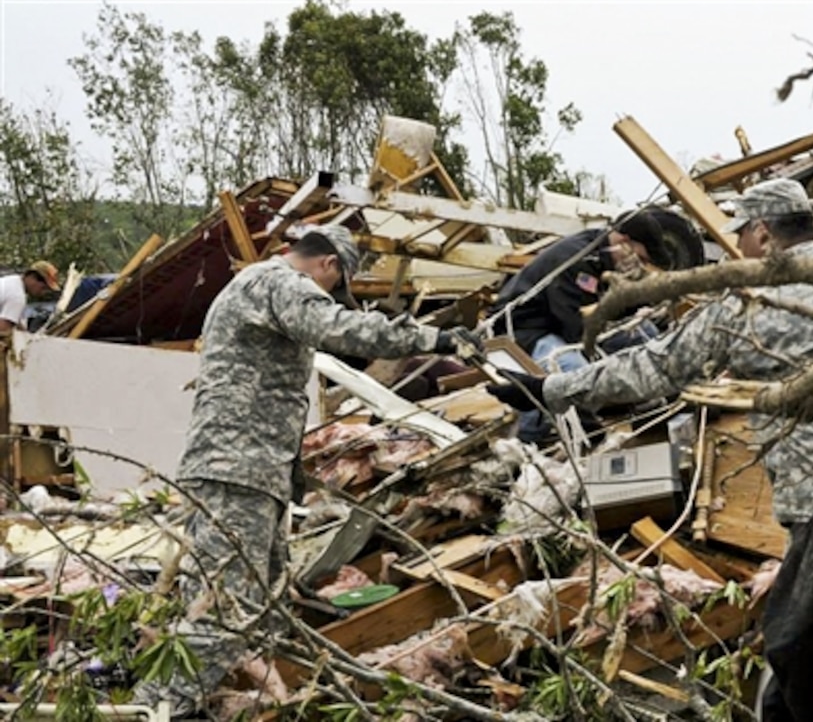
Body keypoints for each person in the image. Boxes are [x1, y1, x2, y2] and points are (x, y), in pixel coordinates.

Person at [487, 179, 813, 721]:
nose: (738, 242)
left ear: (763, 233)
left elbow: (655, 366)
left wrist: (549, 389)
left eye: (742, 230)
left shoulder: (750, 298)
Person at [133, 226, 478, 717]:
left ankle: (251, 704)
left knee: (265, 605)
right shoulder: (277, 281)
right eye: (333, 290)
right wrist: (434, 338)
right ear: (329, 266)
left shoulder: (256, 288)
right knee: (222, 611)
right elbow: (340, 328)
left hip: (251, 470)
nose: (330, 298)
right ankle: (156, 709)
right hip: (239, 470)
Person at [488, 209, 681, 442]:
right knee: (572, 368)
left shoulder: (602, 252)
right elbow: (575, 329)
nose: (639, 265)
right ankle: (537, 440)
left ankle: (653, 406)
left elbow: (599, 306)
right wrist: (607, 368)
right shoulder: (576, 258)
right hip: (524, 329)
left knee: (645, 332)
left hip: (562, 323)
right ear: (625, 241)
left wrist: (638, 305)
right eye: (641, 259)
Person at [0, 261, 60, 332]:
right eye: (43, 288)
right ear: (33, 277)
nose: (43, 293)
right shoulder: (17, 296)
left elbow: (12, 318)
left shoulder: (11, 281)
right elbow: (2, 330)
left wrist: (26, 334)